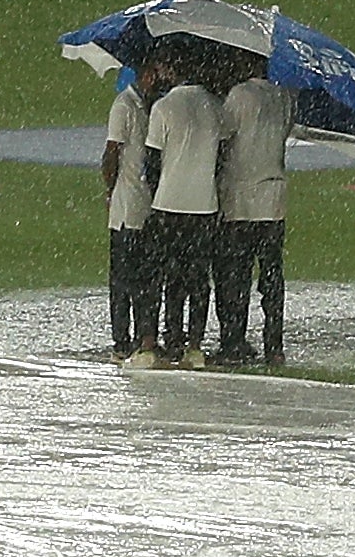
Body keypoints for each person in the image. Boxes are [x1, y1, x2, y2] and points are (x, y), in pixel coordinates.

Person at [139, 56, 224, 367]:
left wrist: (157, 192)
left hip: (168, 203)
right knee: (198, 279)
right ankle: (194, 344)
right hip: (204, 206)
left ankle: (160, 340)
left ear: (172, 72)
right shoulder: (216, 107)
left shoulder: (163, 108)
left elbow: (152, 161)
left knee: (162, 275)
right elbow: (221, 159)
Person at [215, 54, 295, 364]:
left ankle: (234, 342)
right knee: (272, 278)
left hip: (241, 199)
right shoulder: (283, 96)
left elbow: (222, 138)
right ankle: (273, 345)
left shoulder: (239, 96)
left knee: (236, 275)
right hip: (273, 198)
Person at [98, 51, 157, 358]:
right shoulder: (125, 106)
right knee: (125, 279)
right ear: (143, 74)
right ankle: (122, 339)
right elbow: (111, 153)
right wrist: (111, 191)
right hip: (127, 206)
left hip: (143, 205)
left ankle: (139, 336)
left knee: (141, 277)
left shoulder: (145, 106)